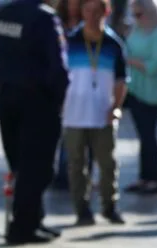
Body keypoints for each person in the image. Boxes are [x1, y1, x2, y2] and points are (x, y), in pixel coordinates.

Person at [0, 0, 70, 245]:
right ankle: (22, 228)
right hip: (37, 99)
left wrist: (1, 55)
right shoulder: (45, 17)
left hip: (7, 93)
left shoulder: (3, 10)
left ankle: (33, 220)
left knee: (21, 164)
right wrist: (60, 97)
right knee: (38, 168)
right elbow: (58, 64)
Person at [63, 0, 128, 226]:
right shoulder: (70, 41)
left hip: (103, 113)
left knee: (107, 163)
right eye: (87, 11)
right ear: (81, 12)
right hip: (74, 113)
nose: (91, 16)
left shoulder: (113, 44)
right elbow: (60, 75)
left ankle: (109, 206)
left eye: (97, 11)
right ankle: (82, 210)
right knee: (76, 163)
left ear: (106, 12)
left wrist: (116, 106)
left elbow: (121, 80)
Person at [123, 0, 157, 195]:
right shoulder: (136, 30)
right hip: (134, 89)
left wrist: (131, 61)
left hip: (151, 92)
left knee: (148, 136)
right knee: (143, 137)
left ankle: (155, 179)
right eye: (134, 15)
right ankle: (145, 177)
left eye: (140, 14)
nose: (137, 18)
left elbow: (154, 67)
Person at [53, 0, 85, 191]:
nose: (72, 7)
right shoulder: (55, 23)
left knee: (78, 132)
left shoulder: (88, 26)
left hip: (81, 84)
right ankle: (61, 172)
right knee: (59, 131)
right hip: (60, 84)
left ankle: (75, 173)